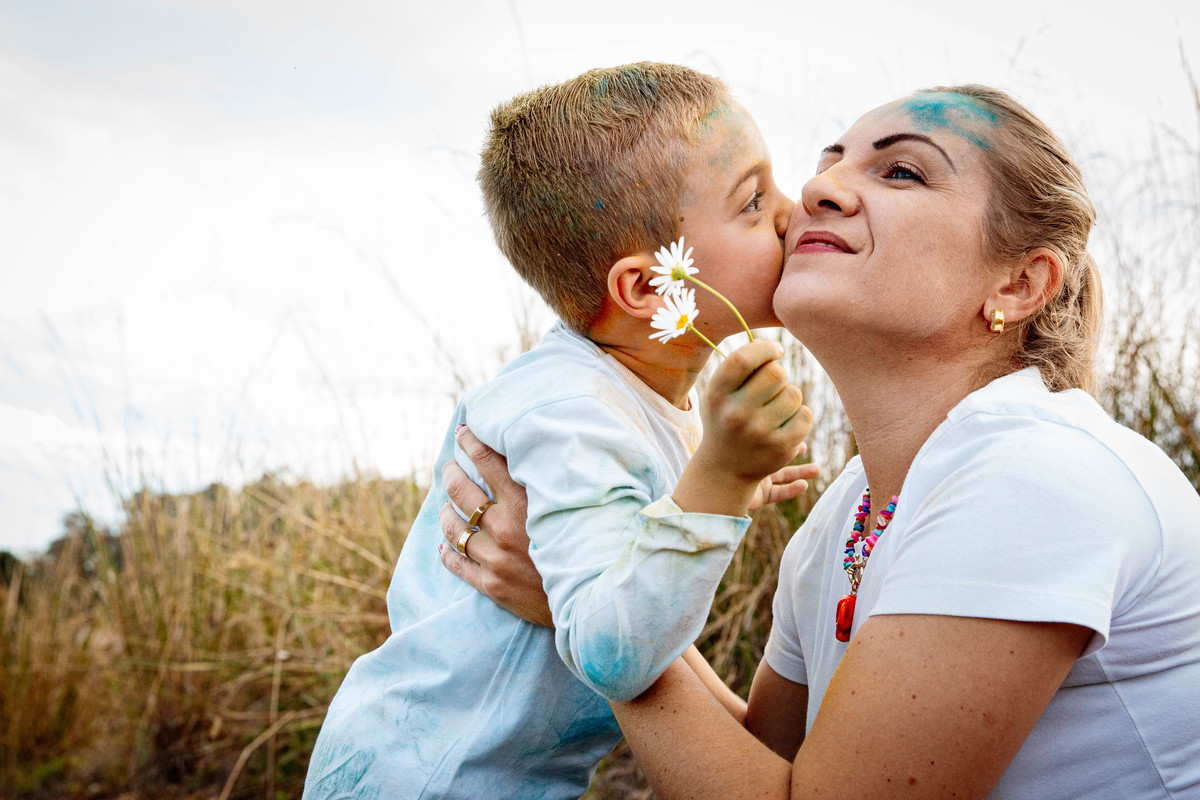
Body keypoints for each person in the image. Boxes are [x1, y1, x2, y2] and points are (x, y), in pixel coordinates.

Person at [438, 84, 1200, 798]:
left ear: (1016, 286)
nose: (814, 192)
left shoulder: (1037, 474)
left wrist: (596, 625)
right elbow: (766, 769)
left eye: (901, 171)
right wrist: (607, 600)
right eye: (828, 162)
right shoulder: (845, 516)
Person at [302, 62, 816, 800]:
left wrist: (703, 482)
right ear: (647, 288)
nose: (792, 213)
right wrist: (718, 485)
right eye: (753, 200)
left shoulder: (613, 395)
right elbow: (613, 655)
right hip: (434, 781)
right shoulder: (566, 413)